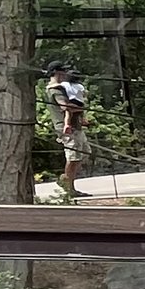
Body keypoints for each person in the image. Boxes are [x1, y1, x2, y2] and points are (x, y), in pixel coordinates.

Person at [43, 62, 90, 195]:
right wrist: (81, 108)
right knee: (73, 157)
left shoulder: (63, 87)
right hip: (67, 129)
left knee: (84, 153)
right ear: (56, 72)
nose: (65, 74)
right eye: (63, 71)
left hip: (76, 126)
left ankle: (67, 180)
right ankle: (68, 186)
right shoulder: (55, 90)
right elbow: (65, 107)